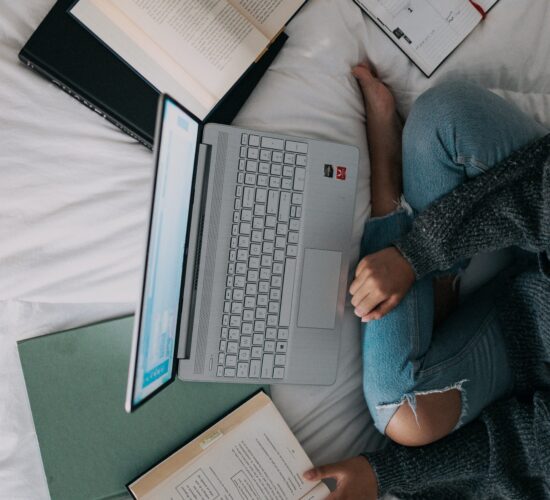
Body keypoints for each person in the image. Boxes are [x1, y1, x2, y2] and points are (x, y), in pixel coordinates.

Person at [303, 62, 550, 498]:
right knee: (444, 119)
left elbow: (532, 441)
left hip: (528, 336)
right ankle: (425, 258)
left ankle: (392, 199)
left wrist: (386, 474)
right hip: (540, 218)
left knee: (401, 411)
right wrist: (417, 255)